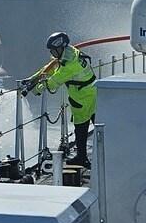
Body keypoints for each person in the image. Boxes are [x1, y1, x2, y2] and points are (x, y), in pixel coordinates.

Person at [21, 31, 96, 167]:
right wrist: (33, 78)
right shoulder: (71, 53)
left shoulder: (69, 66)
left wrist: (36, 90)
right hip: (92, 92)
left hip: (82, 98)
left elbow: (53, 82)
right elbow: (51, 67)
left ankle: (82, 158)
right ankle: (107, 152)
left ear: (60, 48)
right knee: (97, 123)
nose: (52, 54)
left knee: (81, 127)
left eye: (53, 51)